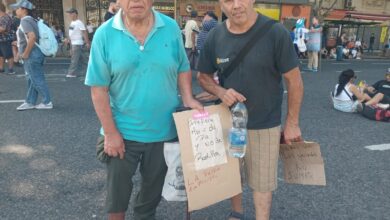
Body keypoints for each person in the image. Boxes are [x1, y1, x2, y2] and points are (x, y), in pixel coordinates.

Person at [84, 0, 202, 219]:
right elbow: (98, 90)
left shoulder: (170, 27)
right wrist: (110, 133)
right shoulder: (104, 34)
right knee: (116, 200)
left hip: (163, 132)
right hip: (122, 133)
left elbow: (183, 66)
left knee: (150, 198)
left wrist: (188, 97)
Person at [197, 0, 304, 219]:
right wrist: (220, 92)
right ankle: (236, 214)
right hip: (229, 121)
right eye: (228, 1)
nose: (236, 5)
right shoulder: (215, 36)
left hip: (265, 123)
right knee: (231, 175)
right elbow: (203, 77)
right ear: (220, 4)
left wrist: (292, 123)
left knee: (262, 183)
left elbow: (294, 81)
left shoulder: (276, 33)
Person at [10, 0, 53, 110]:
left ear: (24, 9)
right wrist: (19, 45)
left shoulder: (25, 21)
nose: (15, 10)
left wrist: (25, 54)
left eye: (17, 8)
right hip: (36, 53)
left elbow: (32, 37)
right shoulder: (32, 20)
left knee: (36, 78)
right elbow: (29, 38)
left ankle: (47, 102)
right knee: (32, 79)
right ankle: (30, 101)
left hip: (32, 54)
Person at [64, 7, 90, 78]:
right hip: (74, 43)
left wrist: (87, 42)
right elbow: (71, 33)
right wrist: (68, 40)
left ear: (75, 14)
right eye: (69, 13)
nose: (69, 15)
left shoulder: (79, 23)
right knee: (83, 59)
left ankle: (71, 73)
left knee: (74, 59)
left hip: (77, 43)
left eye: (71, 13)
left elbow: (84, 32)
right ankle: (91, 72)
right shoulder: (72, 23)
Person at [0, 2, 15, 74]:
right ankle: (1, 68)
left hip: (5, 39)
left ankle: (11, 69)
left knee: (8, 54)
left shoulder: (5, 17)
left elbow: (3, 29)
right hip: (1, 39)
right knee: (1, 55)